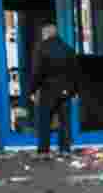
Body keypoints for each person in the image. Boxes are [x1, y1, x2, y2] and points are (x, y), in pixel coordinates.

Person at [29, 23, 81, 159]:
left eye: (43, 34)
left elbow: (37, 72)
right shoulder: (68, 48)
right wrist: (75, 91)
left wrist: (33, 90)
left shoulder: (42, 48)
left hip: (48, 90)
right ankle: (65, 150)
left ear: (46, 34)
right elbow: (75, 72)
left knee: (45, 120)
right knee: (65, 121)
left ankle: (43, 151)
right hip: (66, 91)